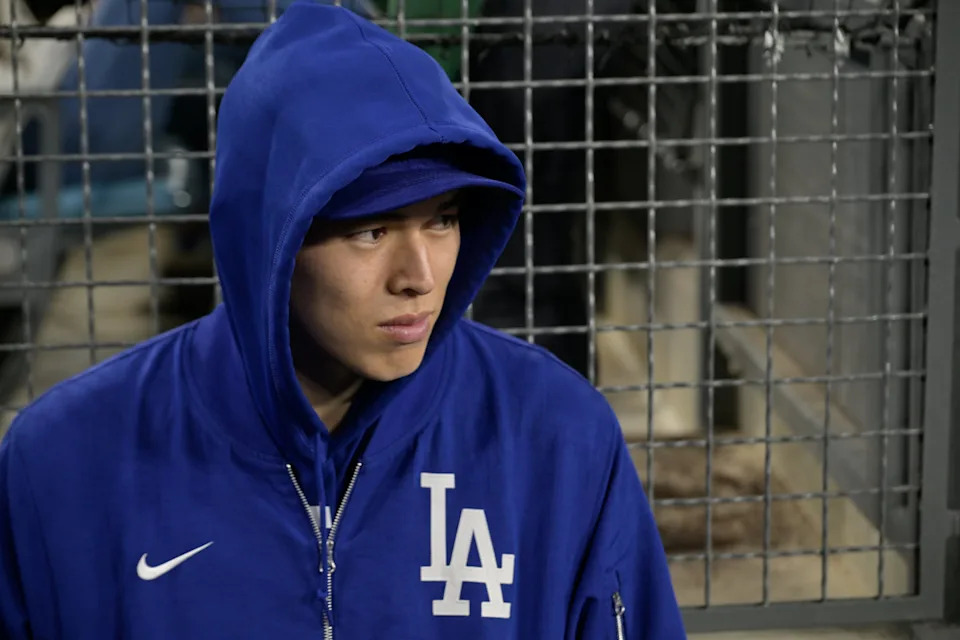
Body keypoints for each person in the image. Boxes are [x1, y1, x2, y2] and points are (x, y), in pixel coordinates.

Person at [0, 2, 686, 638]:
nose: (418, 276)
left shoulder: (555, 437)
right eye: (372, 231)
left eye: (443, 220)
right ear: (272, 240)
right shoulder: (65, 462)